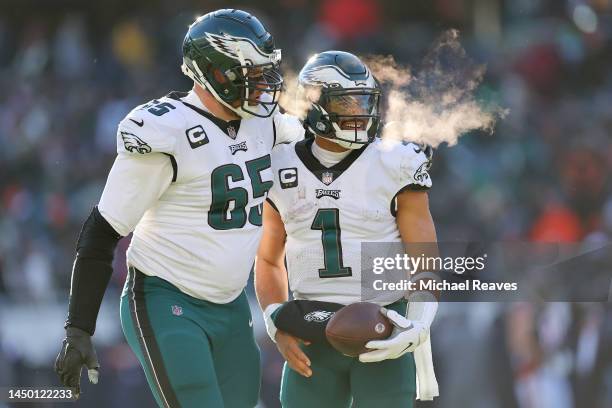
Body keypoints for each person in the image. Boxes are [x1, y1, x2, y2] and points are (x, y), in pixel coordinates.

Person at [54, 9, 303, 408]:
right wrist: (78, 328)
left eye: (264, 72)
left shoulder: (266, 123)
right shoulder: (165, 132)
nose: (264, 85)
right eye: (252, 74)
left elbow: (314, 151)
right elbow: (103, 229)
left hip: (231, 305)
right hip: (166, 298)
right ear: (216, 73)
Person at [255, 51, 439, 407]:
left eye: (364, 101)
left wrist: (417, 326)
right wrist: (275, 324)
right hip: (310, 328)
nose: (359, 112)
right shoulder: (280, 165)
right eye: (346, 102)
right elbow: (268, 260)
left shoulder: (395, 162)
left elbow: (425, 262)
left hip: (382, 326)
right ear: (314, 105)